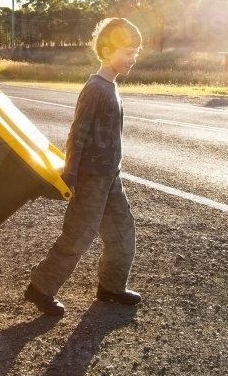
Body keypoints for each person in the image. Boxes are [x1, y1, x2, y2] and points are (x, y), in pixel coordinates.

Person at [24, 17, 143, 316]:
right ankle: (40, 287)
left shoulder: (111, 87)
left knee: (122, 231)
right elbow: (77, 133)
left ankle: (111, 287)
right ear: (106, 52)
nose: (133, 59)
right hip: (90, 177)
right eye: (127, 52)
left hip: (110, 177)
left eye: (136, 53)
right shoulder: (95, 88)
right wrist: (72, 175)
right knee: (78, 236)